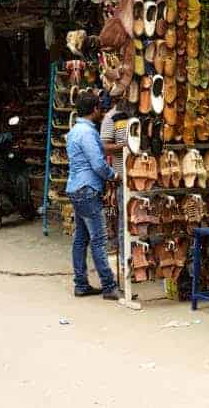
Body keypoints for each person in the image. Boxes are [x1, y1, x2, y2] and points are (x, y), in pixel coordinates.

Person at [66, 91, 119, 300]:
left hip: (76, 188)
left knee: (81, 239)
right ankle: (108, 285)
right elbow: (97, 164)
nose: (101, 111)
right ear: (94, 110)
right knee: (98, 239)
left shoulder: (74, 131)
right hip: (87, 190)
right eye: (99, 108)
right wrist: (113, 175)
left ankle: (81, 284)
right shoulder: (87, 133)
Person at [100, 98, 129, 255]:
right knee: (125, 220)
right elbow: (103, 146)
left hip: (148, 174)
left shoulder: (143, 112)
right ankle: (125, 260)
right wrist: (124, 146)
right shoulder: (111, 117)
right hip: (123, 177)